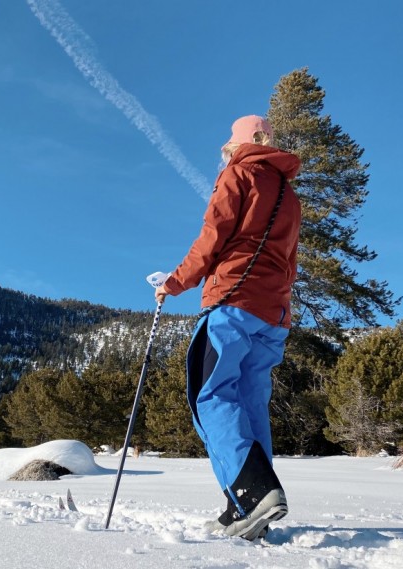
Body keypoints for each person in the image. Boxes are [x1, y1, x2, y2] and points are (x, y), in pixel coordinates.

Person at [154, 115, 301, 540]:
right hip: (272, 313)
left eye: (228, 148)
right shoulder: (289, 196)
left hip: (233, 301)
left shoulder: (238, 174)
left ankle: (254, 494)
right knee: (251, 402)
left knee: (211, 394)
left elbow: (212, 237)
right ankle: (245, 505)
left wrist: (174, 282)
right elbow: (289, 261)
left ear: (238, 145)